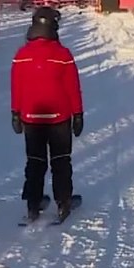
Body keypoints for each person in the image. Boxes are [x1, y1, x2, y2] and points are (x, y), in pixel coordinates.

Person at [11, 12, 84, 222]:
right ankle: (63, 201)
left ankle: (33, 204)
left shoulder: (21, 54)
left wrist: (15, 112)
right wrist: (78, 114)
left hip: (32, 118)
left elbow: (17, 87)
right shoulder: (63, 54)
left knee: (35, 161)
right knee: (61, 161)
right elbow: (73, 88)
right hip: (59, 117)